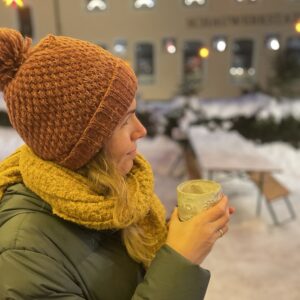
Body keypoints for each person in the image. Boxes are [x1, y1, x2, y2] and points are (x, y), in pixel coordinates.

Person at [0, 28, 234, 300]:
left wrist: (175, 236)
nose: (141, 130)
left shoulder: (108, 193)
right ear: (83, 144)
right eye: (124, 121)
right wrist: (180, 260)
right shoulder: (25, 256)